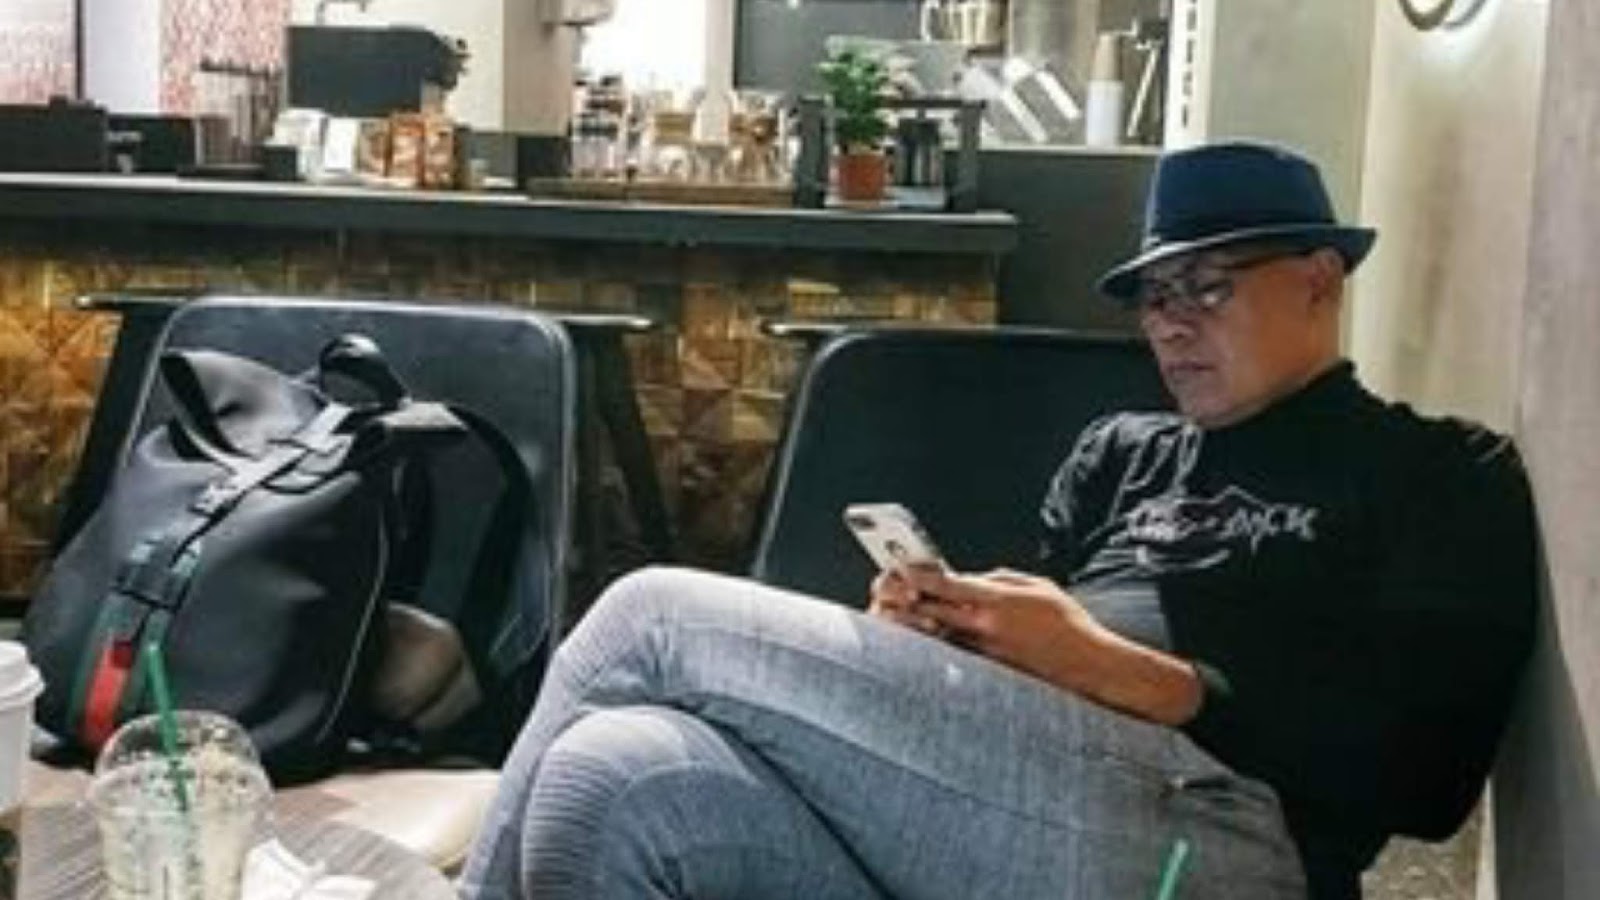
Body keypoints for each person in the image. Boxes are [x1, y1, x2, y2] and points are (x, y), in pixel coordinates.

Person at [458, 142, 1537, 900]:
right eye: (1154, 297)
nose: (1170, 325)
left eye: (1207, 287)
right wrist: (951, 634)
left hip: (1228, 840)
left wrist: (1134, 675)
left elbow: (1429, 781)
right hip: (1024, 811)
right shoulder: (1124, 452)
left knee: (651, 617)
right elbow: (1024, 712)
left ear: (1319, 280)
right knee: (612, 778)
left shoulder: (1439, 471)